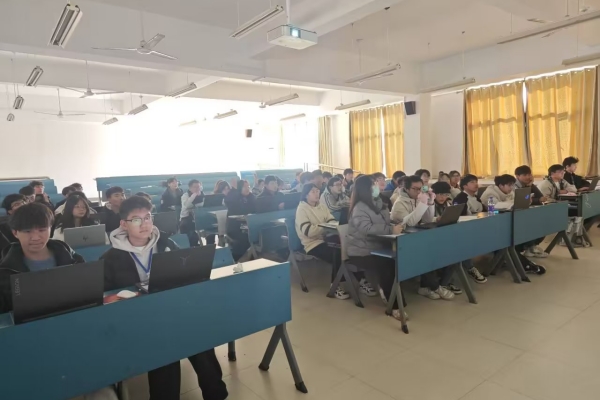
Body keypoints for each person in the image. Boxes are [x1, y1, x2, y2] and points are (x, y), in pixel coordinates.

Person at [100, 196, 228, 400]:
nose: (144, 224)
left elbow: (185, 273)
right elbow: (104, 298)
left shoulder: (166, 243)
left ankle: (216, 394)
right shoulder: (110, 258)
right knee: (165, 348)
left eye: (148, 217)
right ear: (123, 224)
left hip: (172, 311)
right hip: (139, 319)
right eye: (136, 219)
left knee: (200, 339)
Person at [0, 202, 84, 312]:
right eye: (27, 231)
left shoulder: (72, 258)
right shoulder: (5, 270)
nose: (35, 238)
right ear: (15, 233)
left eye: (42, 230)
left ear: (50, 229)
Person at [346, 176, 407, 320]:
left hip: (378, 247)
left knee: (400, 260)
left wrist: (395, 225)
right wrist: (391, 230)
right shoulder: (359, 207)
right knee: (387, 265)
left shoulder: (379, 202)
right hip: (361, 251)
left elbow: (385, 222)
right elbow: (367, 228)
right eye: (373, 184)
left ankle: (391, 293)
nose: (376, 186)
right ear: (365, 189)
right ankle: (395, 306)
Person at [390, 176, 454, 300]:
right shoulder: (399, 204)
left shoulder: (417, 199)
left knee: (443, 248)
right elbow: (410, 223)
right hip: (402, 242)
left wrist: (430, 203)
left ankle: (425, 286)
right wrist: (423, 203)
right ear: (406, 189)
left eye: (421, 188)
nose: (419, 192)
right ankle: (435, 286)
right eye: (415, 189)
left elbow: (427, 219)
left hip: (416, 238)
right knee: (425, 253)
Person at [448, 175, 489, 284]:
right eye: (472, 182)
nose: (476, 184)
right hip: (466, 230)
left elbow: (484, 211)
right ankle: (470, 267)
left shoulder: (476, 197)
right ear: (464, 186)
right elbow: (460, 218)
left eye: (476, 182)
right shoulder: (461, 199)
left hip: (478, 226)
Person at [514, 166, 549, 259]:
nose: (528, 177)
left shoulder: (528, 184)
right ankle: (528, 247)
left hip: (527, 212)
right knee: (533, 224)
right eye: (525, 175)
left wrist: (531, 185)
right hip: (517, 214)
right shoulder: (514, 186)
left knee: (544, 223)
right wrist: (537, 200)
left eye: (529, 174)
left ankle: (531, 247)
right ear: (517, 176)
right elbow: (522, 200)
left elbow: (541, 197)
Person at [225, 180, 255, 261]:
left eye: (248, 186)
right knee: (244, 238)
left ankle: (253, 258)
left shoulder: (251, 197)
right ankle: (238, 259)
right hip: (235, 227)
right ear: (239, 188)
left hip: (248, 225)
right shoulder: (234, 197)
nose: (247, 188)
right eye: (244, 187)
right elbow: (229, 202)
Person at [180, 179, 205, 247]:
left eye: (198, 187)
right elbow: (187, 205)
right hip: (187, 219)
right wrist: (194, 195)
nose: (197, 189)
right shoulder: (185, 196)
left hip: (199, 217)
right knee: (191, 232)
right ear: (190, 188)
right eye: (195, 187)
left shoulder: (202, 195)